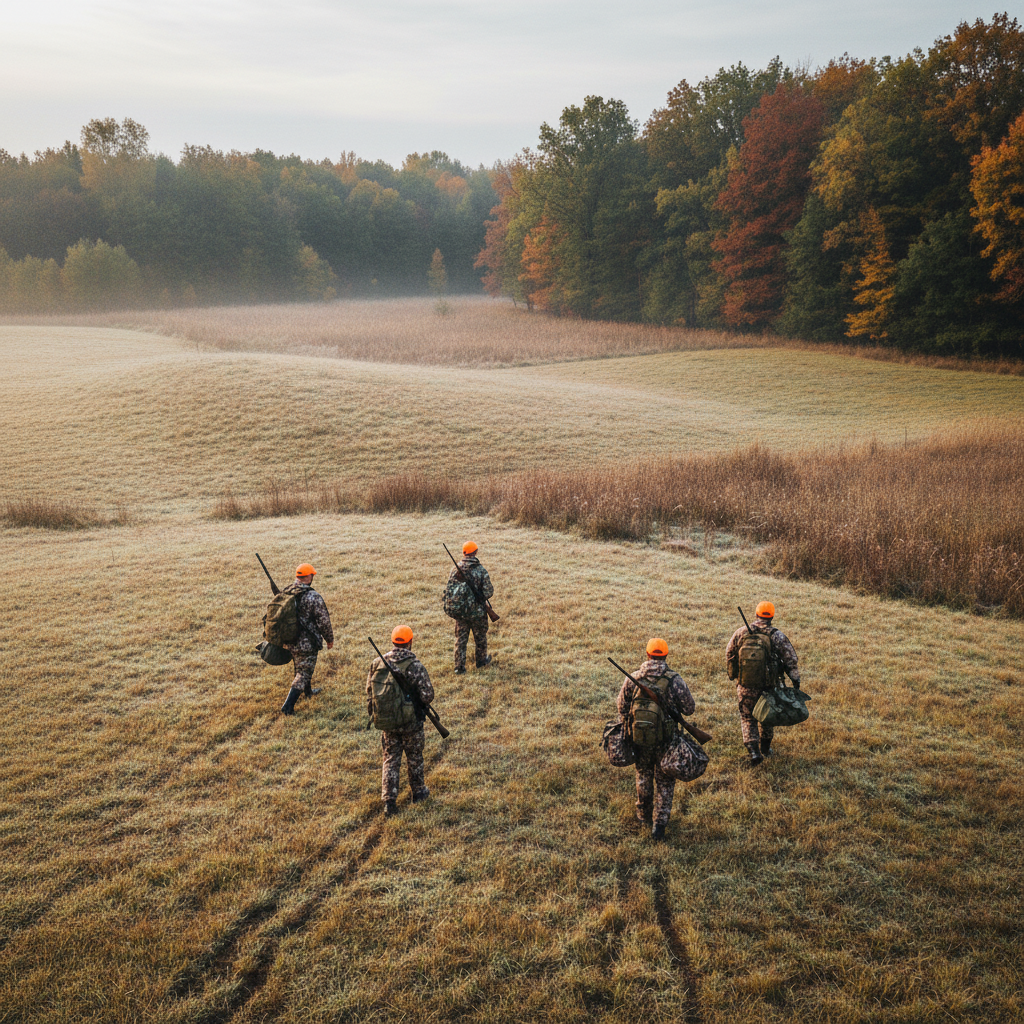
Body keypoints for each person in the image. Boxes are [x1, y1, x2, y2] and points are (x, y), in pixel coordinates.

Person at [617, 638, 695, 841]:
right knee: (665, 780)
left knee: (643, 774)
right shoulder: (674, 680)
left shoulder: (634, 678)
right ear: (666, 656)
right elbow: (689, 708)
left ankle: (643, 815)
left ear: (647, 654)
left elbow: (622, 708)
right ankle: (659, 824)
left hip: (640, 740)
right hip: (666, 741)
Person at [367, 625, 435, 816]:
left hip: (388, 722)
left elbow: (370, 693)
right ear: (410, 642)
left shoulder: (377, 663)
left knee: (390, 758)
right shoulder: (415, 666)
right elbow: (428, 695)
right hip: (411, 723)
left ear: (393, 641)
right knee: (414, 757)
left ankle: (389, 802)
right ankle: (419, 792)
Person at [725, 601, 800, 764]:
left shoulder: (741, 632)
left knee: (747, 717)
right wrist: (795, 680)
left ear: (756, 614)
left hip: (745, 685)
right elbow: (790, 659)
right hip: (768, 686)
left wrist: (734, 674)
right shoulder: (776, 635)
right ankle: (765, 749)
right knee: (767, 716)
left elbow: (729, 653)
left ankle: (753, 752)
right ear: (772, 616)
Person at [279, 563, 334, 716]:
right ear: (309, 577)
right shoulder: (313, 596)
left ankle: (308, 692)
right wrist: (329, 639)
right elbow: (323, 621)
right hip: (306, 642)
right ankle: (288, 707)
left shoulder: (287, 591)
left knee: (301, 666)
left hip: (289, 639)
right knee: (304, 672)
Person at [443, 541, 494, 674]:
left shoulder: (455, 569)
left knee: (460, 640)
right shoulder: (481, 570)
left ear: (463, 553)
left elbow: (450, 591)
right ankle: (481, 662)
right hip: (478, 613)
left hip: (460, 612)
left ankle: (459, 667)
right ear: (475, 552)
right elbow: (489, 592)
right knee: (480, 638)